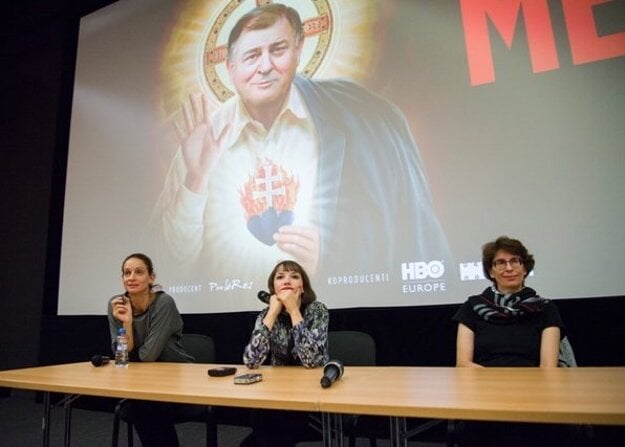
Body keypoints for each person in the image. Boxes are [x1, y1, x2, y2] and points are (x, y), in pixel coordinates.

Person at [147, 3, 451, 299]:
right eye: (252, 55)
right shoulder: (204, 138)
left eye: (277, 50)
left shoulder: (363, 118)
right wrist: (196, 180)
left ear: (298, 49)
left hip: (328, 313)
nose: (265, 66)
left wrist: (330, 260)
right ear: (230, 67)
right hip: (233, 316)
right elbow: (171, 266)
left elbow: (410, 238)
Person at [451, 236, 573, 446]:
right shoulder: (471, 307)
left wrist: (520, 392)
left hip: (535, 397)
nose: (509, 268)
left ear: (525, 268)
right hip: (485, 396)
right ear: (491, 271)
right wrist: (497, 388)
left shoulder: (546, 309)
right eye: (500, 262)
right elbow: (463, 364)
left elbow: (548, 367)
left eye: (515, 261)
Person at [107, 253, 193, 446]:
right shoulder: (117, 304)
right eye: (127, 273)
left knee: (145, 407)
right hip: (142, 383)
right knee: (144, 405)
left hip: (176, 379)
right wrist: (127, 323)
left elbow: (148, 356)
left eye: (139, 272)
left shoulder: (164, 303)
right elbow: (121, 357)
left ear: (151, 278)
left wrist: (130, 355)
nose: (131, 277)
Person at [241, 260, 329, 446]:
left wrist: (293, 310)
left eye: (294, 276)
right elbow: (251, 360)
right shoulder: (265, 315)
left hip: (312, 393)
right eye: (280, 277)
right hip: (277, 393)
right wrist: (272, 314)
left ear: (302, 287)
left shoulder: (317, 311)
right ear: (273, 288)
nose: (286, 280)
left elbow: (311, 360)